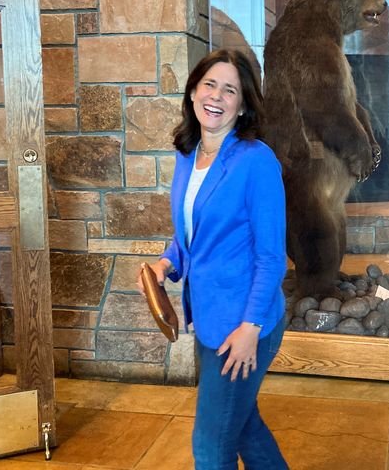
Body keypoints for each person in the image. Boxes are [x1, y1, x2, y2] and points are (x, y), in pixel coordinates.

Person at [137, 48, 289, 469]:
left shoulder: (257, 162)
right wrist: (166, 264)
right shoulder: (188, 154)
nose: (217, 96)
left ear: (242, 106)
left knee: (210, 447)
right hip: (208, 319)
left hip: (244, 325)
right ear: (192, 93)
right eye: (209, 84)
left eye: (230, 90)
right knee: (241, 426)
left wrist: (250, 328)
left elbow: (272, 257)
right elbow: (192, 234)